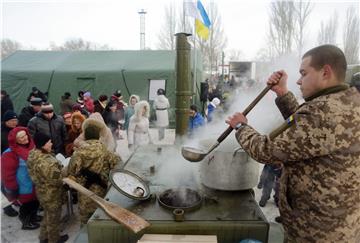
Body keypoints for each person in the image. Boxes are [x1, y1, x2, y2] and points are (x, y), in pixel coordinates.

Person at [226, 45, 360, 242]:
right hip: (337, 224)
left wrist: (241, 127)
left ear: (325, 72)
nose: (298, 81)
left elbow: (267, 151)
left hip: (316, 232)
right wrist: (282, 93)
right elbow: (308, 132)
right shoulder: (346, 102)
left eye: (303, 73)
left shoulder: (323, 112)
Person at [67, 124, 121, 225]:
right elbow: (117, 164)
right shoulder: (104, 149)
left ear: (86, 137)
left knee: (84, 217)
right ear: (99, 136)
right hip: (102, 190)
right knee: (101, 215)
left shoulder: (79, 152)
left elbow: (72, 171)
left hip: (84, 191)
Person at [27, 132, 68, 243]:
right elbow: (56, 180)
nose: (51, 143)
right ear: (43, 145)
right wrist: (64, 172)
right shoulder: (47, 163)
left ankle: (43, 237)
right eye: (49, 142)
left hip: (41, 191)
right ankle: (54, 240)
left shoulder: (32, 154)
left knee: (48, 215)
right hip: (51, 195)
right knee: (53, 218)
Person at [1, 127, 40, 230]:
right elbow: (7, 175)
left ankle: (33, 217)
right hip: (23, 186)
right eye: (21, 137)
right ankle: (26, 222)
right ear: (15, 140)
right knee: (26, 206)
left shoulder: (32, 146)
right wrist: (12, 190)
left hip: (34, 183)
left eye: (25, 135)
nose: (25, 138)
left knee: (35, 203)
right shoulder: (9, 153)